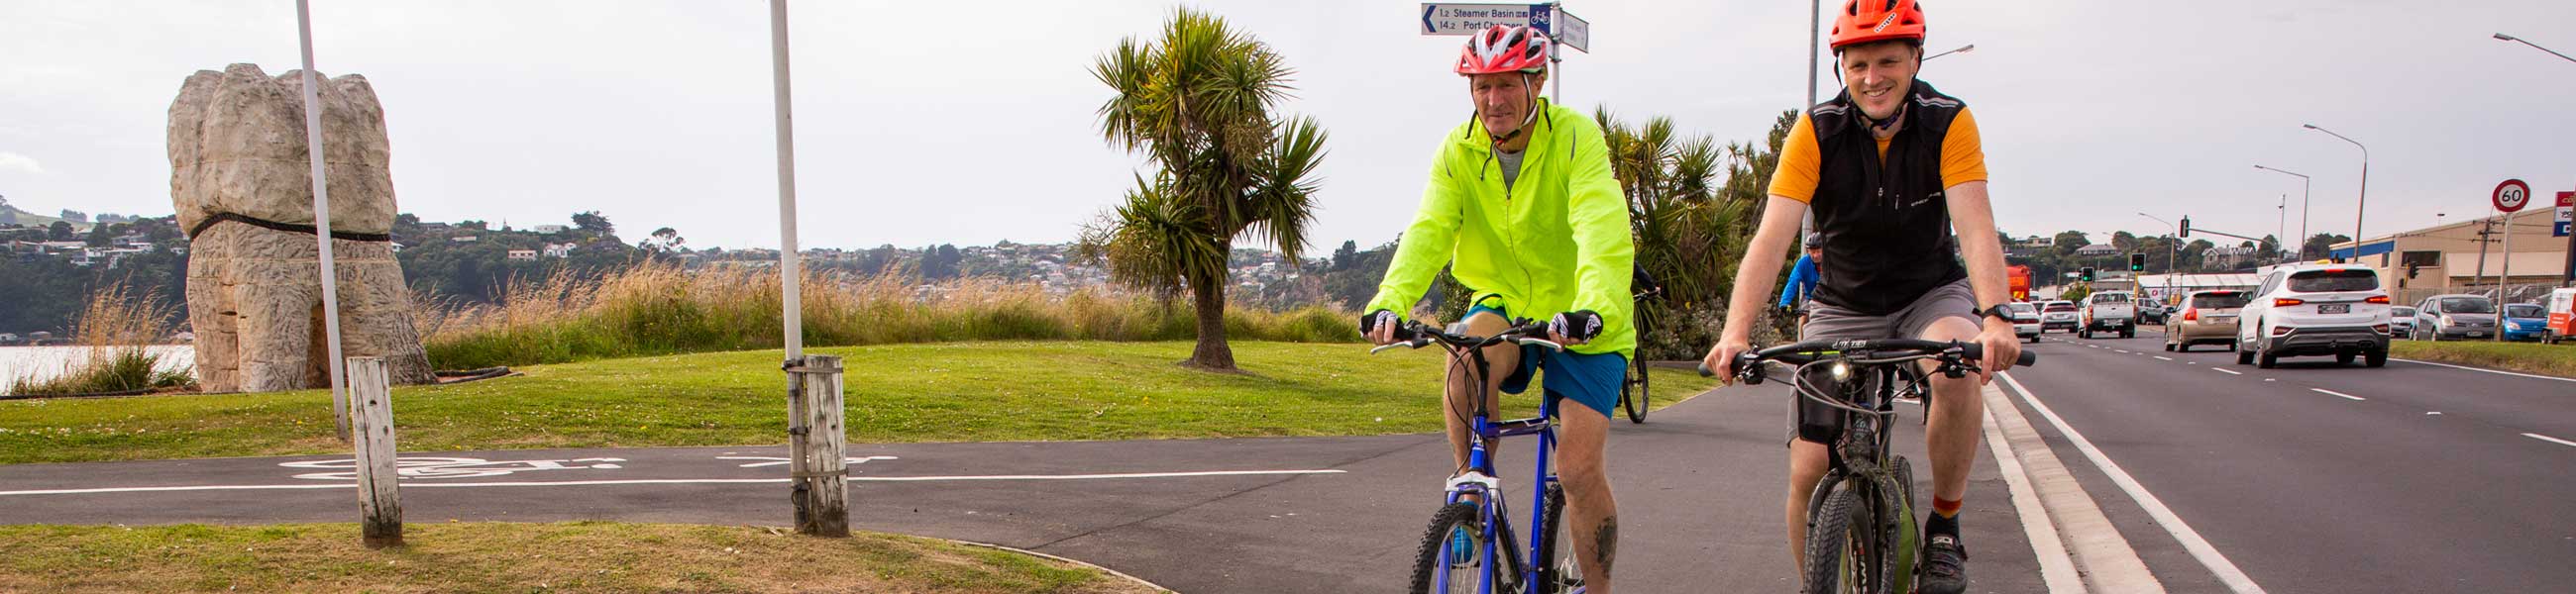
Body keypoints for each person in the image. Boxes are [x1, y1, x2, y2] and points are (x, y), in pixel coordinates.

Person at [1697, 2, 2021, 593]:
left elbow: (1974, 224)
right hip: (1843, 302)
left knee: (1955, 375)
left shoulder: (1948, 122)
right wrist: (1735, 332)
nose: (1873, 78)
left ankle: (1945, 526)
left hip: (1929, 292)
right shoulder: (1816, 130)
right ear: (1842, 65)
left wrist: (1996, 317)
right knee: (1809, 466)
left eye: (1889, 61)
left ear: (1916, 58)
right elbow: (1771, 238)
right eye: (1858, 64)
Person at [1360, 24, 1632, 592]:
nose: (1493, 100)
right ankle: (1471, 489)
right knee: (1464, 353)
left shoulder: (1577, 137)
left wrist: (1595, 307)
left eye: (1506, 84)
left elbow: (1599, 228)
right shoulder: (1458, 151)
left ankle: (1599, 588)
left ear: (1536, 82)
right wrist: (1389, 300)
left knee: (1578, 471)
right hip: (1505, 302)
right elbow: (1429, 230)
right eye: (1481, 86)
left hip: (1584, 316)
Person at [1777, 234, 1825, 324]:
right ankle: (1802, 338)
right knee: (1803, 319)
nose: (1815, 255)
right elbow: (1792, 282)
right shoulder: (1802, 263)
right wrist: (1785, 303)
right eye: (1812, 252)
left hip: (1831, 297)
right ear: (1808, 251)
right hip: (1810, 297)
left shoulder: (1832, 261)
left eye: (1818, 251)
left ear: (1824, 250)